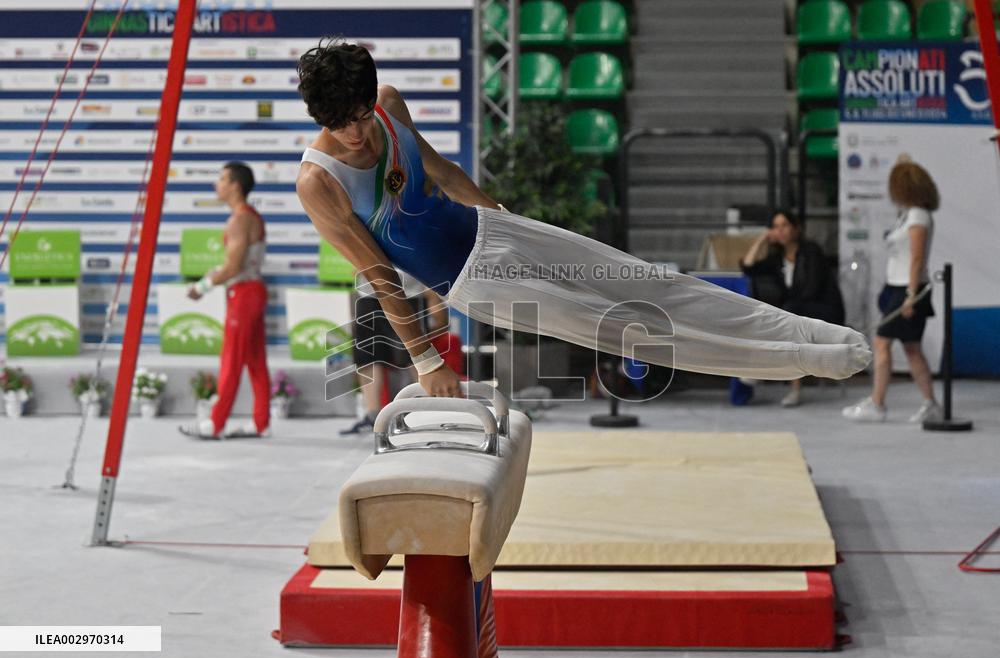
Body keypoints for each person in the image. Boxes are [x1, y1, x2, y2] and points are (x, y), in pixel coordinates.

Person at [294, 39, 871, 400]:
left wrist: (502, 217)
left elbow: (442, 172)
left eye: (363, 115)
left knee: (650, 281)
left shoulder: (389, 104)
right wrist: (426, 360)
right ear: (322, 119)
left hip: (495, 232)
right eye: (342, 123)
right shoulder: (320, 182)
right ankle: (801, 360)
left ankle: (805, 331)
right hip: (473, 281)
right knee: (630, 322)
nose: (357, 132)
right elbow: (380, 274)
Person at [843, 159, 940, 424]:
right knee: (911, 349)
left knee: (882, 343)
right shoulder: (906, 216)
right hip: (894, 287)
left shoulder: (919, 216)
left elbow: (917, 259)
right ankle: (930, 402)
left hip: (908, 290)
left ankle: (877, 403)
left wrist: (910, 296)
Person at [180, 162, 271, 439]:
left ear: (235, 185)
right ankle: (260, 422)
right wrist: (219, 274)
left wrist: (202, 286)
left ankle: (214, 424)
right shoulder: (247, 216)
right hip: (249, 290)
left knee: (231, 360)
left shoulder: (240, 220)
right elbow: (236, 266)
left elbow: (233, 268)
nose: (216, 185)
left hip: (244, 294)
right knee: (255, 361)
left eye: (221, 179)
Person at [740, 210, 844, 407]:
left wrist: (783, 312)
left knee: (788, 316)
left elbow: (811, 289)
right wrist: (763, 239)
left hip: (825, 311)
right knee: (787, 323)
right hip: (797, 313)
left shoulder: (811, 251)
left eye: (784, 225)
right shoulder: (777, 258)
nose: (780, 231)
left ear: (796, 228)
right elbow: (748, 267)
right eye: (775, 227)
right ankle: (792, 388)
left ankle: (760, 366)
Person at [340, 271, 451, 435]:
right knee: (367, 356)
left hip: (409, 292)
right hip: (370, 291)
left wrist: (433, 296)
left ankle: (434, 411)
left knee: (417, 355)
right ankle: (373, 416)